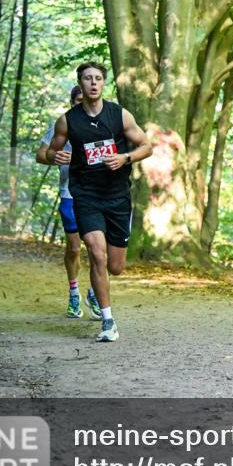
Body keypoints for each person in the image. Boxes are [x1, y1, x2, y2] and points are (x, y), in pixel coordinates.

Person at [46, 62, 152, 342]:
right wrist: (53, 157)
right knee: (96, 252)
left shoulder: (120, 115)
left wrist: (124, 157)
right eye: (87, 79)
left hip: (117, 197)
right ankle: (107, 321)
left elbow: (146, 146)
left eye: (98, 78)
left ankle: (98, 286)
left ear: (104, 83)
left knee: (115, 266)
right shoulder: (68, 121)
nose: (93, 83)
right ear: (80, 84)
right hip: (85, 195)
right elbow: (45, 152)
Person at [35, 86, 102, 320]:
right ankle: (74, 292)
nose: (81, 104)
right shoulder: (61, 125)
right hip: (70, 193)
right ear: (72, 102)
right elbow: (41, 155)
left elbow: (114, 154)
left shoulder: (103, 124)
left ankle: (94, 292)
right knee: (74, 248)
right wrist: (55, 157)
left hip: (97, 193)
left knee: (97, 249)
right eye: (77, 101)